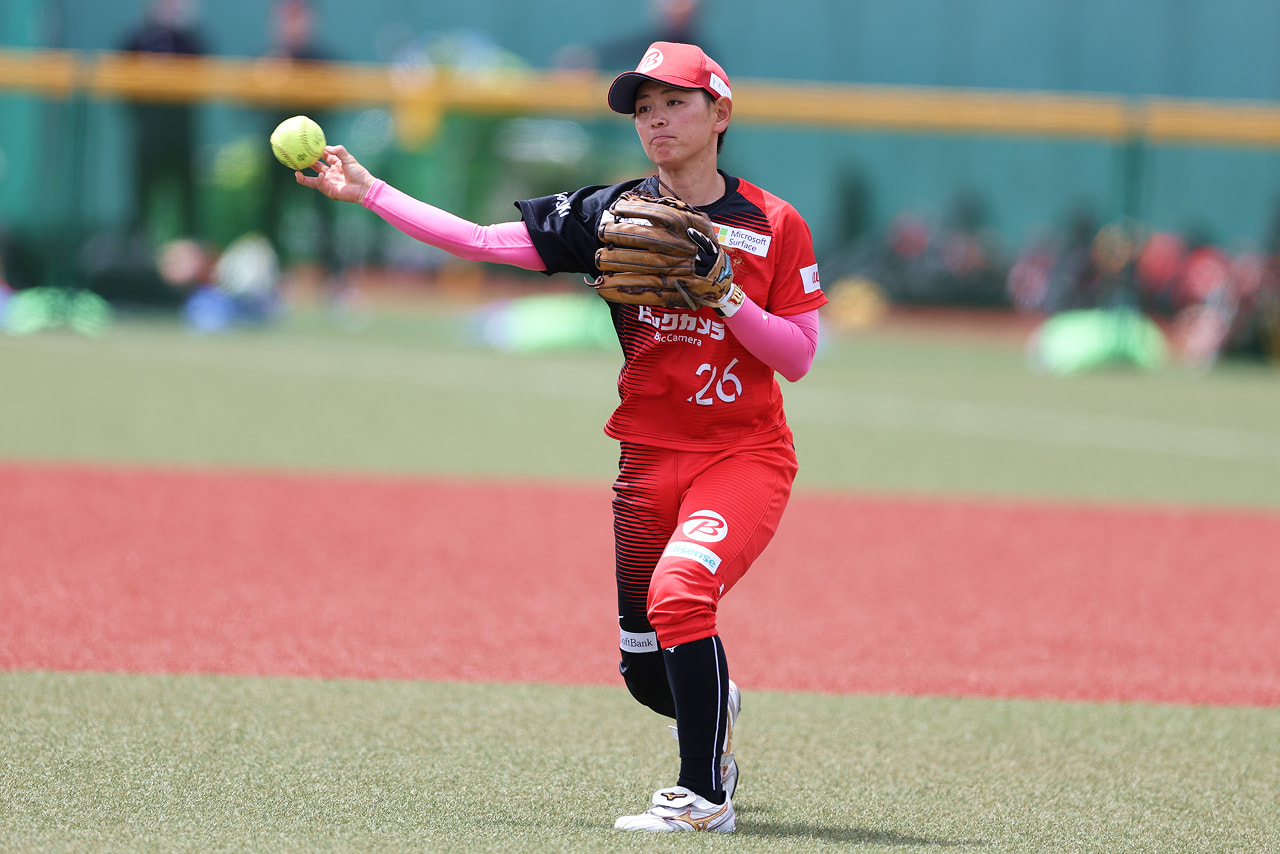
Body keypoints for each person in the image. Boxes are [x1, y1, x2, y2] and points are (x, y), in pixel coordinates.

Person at [296, 41, 825, 833]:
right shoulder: (612, 215)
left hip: (740, 455)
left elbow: (799, 357)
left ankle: (703, 798)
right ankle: (713, 706)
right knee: (645, 673)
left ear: (719, 113)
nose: (656, 120)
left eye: (674, 103)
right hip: (646, 462)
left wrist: (726, 297)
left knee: (682, 593)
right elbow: (481, 241)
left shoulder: (774, 224)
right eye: (643, 109)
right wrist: (370, 190)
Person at [118, 0, 208, 244]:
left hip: (181, 133)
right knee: (141, 199)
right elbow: (122, 82)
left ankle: (189, 249)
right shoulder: (137, 38)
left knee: (187, 200)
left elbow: (202, 77)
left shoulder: (190, 41)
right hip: (148, 133)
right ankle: (137, 248)